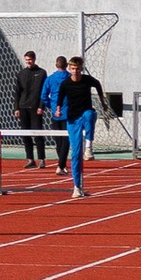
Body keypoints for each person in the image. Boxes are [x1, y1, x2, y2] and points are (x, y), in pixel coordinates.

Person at [52, 52, 103, 198]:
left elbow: (98, 84)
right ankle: (77, 186)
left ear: (81, 69)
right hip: (72, 119)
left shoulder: (87, 80)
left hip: (85, 114)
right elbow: (60, 97)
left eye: (78, 69)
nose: (75, 72)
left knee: (90, 114)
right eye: (73, 69)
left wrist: (103, 101)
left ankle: (89, 146)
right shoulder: (66, 83)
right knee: (75, 155)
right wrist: (58, 108)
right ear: (69, 69)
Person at [13, 50, 49, 171]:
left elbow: (44, 92)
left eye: (31, 60)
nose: (29, 62)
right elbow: (17, 92)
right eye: (27, 60)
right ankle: (30, 159)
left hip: (35, 108)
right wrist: (16, 108)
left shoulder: (42, 73)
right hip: (23, 108)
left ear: (34, 59)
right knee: (25, 134)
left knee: (38, 134)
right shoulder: (21, 73)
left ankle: (42, 159)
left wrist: (41, 106)